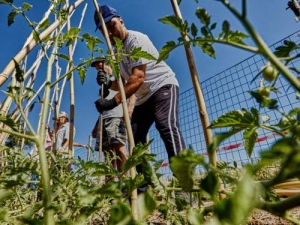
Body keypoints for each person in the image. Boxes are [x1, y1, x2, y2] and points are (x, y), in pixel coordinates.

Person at [93, 5, 186, 192]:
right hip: (144, 97)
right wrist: (106, 83)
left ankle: (184, 180)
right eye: (105, 31)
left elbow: (137, 78)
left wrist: (113, 101)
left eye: (112, 26)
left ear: (121, 21)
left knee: (166, 125)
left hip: (162, 86)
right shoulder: (116, 53)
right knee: (135, 138)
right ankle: (144, 189)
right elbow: (122, 82)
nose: (110, 33)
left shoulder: (135, 40)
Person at [91, 60, 134, 181]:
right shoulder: (102, 85)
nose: (100, 69)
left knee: (119, 146)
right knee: (108, 153)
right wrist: (97, 124)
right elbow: (102, 108)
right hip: (104, 119)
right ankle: (110, 185)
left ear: (109, 64)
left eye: (102, 66)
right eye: (97, 68)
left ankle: (124, 180)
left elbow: (132, 91)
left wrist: (130, 107)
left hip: (117, 116)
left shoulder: (118, 77)